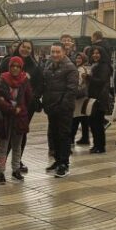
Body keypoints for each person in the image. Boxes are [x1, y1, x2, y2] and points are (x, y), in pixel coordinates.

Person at [0, 40, 43, 173]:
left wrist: (33, 97)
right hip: (6, 105)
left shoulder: (34, 66)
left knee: (20, 134)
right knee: (6, 134)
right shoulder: (7, 61)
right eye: (24, 46)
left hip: (25, 107)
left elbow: (41, 83)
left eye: (29, 48)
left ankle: (17, 162)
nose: (26, 49)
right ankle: (2, 163)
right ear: (19, 47)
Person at [42, 43, 78, 177]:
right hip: (51, 108)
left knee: (63, 135)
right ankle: (57, 160)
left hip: (63, 109)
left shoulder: (70, 68)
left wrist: (62, 106)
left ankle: (64, 163)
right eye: (53, 52)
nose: (55, 55)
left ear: (64, 53)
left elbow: (71, 90)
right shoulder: (49, 66)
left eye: (58, 52)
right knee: (54, 135)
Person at [0, 56, 33, 183]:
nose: (15, 68)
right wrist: (11, 108)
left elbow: (28, 98)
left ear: (21, 68)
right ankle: (1, 171)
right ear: (9, 67)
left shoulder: (24, 80)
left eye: (18, 66)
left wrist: (20, 109)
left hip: (20, 118)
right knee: (3, 147)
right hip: (5, 118)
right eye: (13, 66)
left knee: (17, 146)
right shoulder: (2, 79)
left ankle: (16, 170)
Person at [86, 47, 112, 154]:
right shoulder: (95, 65)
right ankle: (96, 144)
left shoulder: (104, 66)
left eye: (98, 53)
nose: (95, 55)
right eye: (93, 53)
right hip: (93, 97)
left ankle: (100, 146)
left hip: (100, 98)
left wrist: (88, 77)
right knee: (93, 122)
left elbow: (101, 81)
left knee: (98, 124)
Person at [70, 52, 91, 145]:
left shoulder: (80, 70)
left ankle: (71, 139)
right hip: (84, 96)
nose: (78, 60)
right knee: (83, 118)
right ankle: (85, 138)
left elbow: (77, 83)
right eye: (77, 58)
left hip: (79, 97)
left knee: (75, 118)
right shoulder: (86, 69)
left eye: (80, 58)